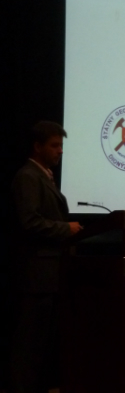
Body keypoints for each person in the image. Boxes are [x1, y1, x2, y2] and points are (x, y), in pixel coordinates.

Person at [7, 121, 82, 393]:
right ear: (37, 147)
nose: (60, 151)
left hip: (48, 275)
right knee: (29, 345)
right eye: (54, 145)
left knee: (41, 346)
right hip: (35, 276)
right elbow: (29, 222)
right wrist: (65, 228)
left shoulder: (44, 175)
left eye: (61, 146)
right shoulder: (28, 176)